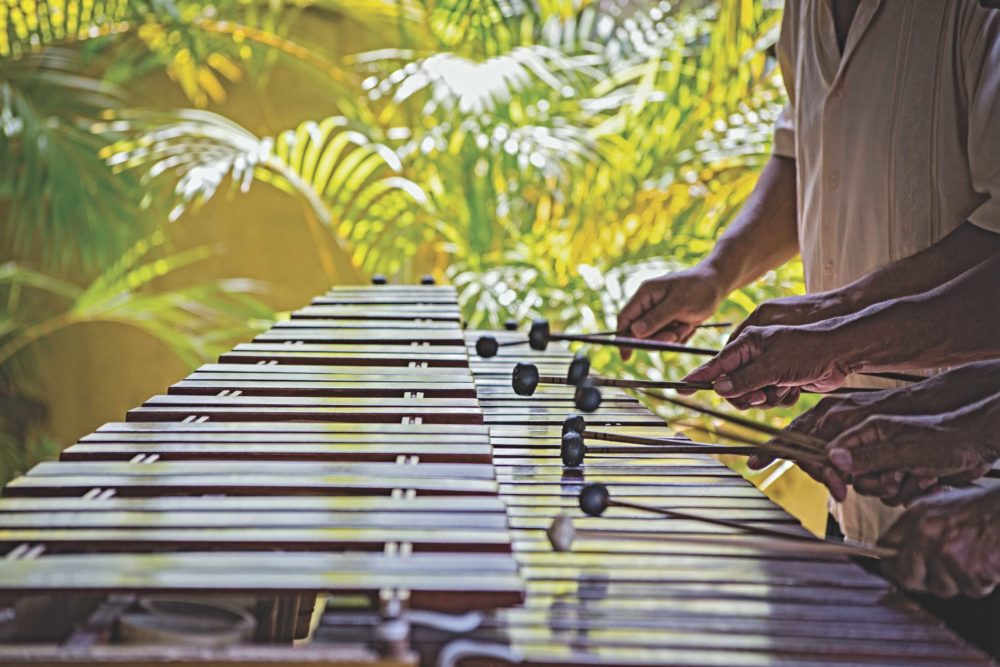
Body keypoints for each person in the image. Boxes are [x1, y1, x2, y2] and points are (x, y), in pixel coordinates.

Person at [616, 0, 1000, 546]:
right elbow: (807, 152)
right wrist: (718, 272)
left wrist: (836, 328)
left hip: (973, 507)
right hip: (856, 491)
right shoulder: (805, 9)